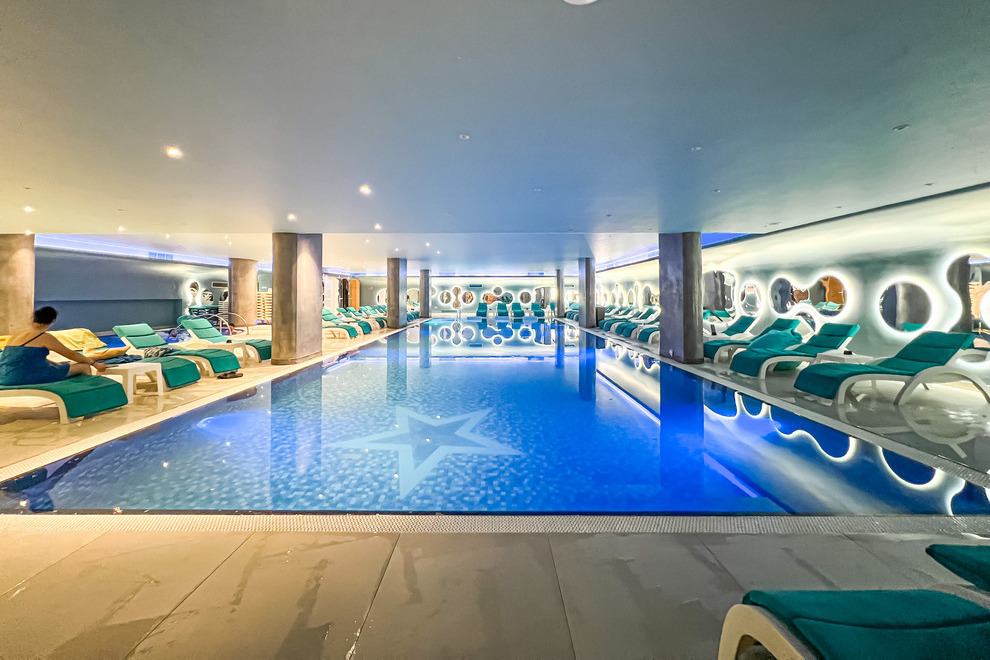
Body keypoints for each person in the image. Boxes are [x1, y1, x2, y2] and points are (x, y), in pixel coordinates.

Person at [0, 306, 107, 386]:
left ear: (33, 318)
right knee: (83, 366)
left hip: (4, 376)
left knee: (67, 364)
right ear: (53, 320)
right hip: (26, 376)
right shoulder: (43, 336)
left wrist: (57, 364)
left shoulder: (17, 334)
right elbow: (72, 354)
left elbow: (23, 357)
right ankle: (89, 396)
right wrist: (94, 363)